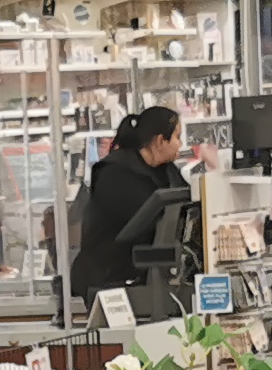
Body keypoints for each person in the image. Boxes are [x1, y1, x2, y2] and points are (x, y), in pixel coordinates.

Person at [69, 107, 189, 306]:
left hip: (147, 278)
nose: (181, 144)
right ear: (160, 141)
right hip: (106, 281)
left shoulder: (166, 171)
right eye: (177, 137)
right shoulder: (114, 173)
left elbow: (185, 204)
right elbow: (142, 223)